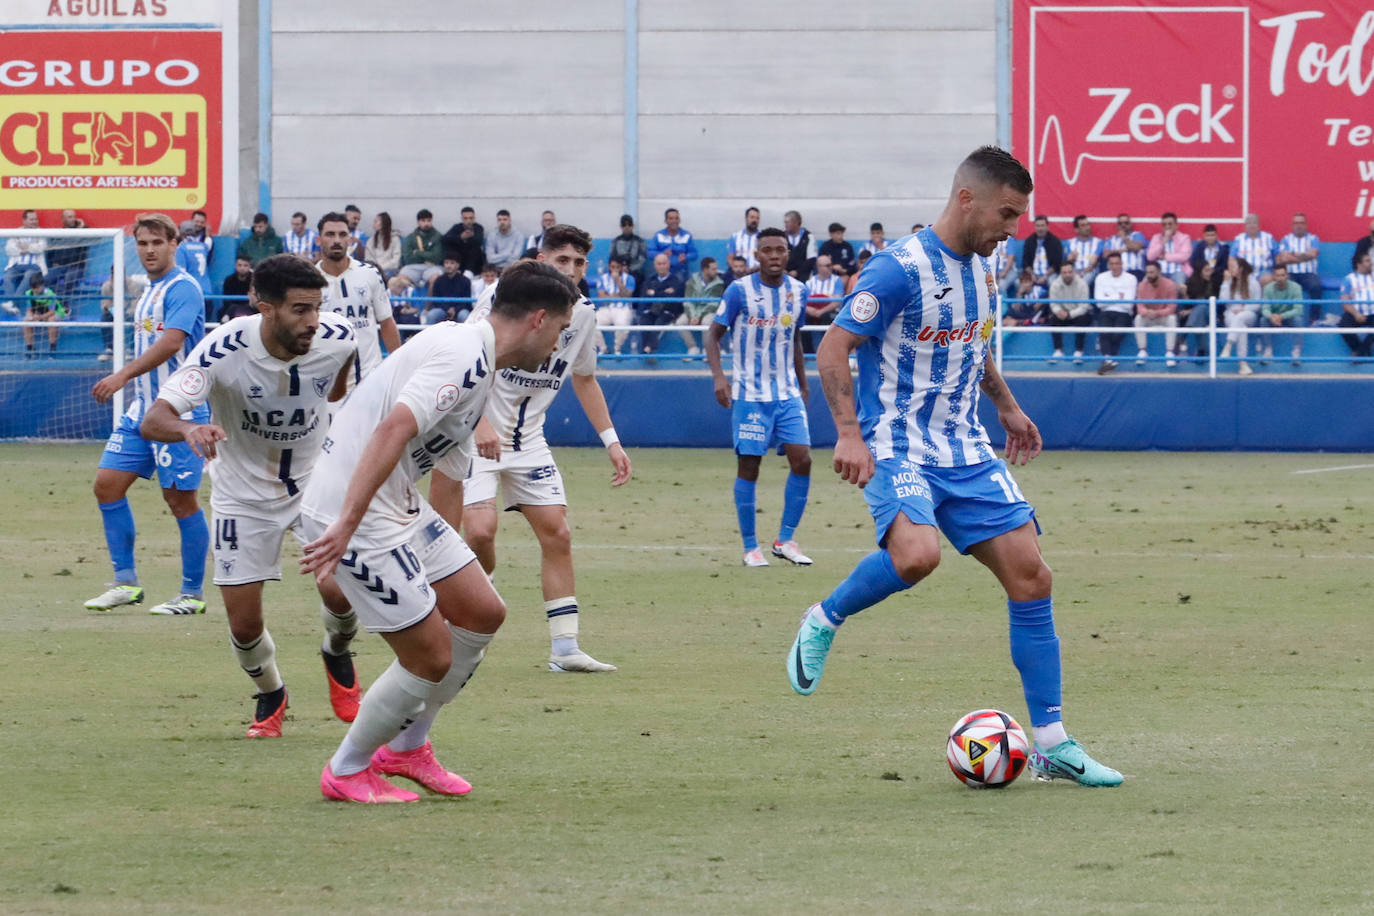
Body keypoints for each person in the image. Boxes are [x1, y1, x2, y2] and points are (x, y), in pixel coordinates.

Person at [785, 145, 1122, 787]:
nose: (1013, 228)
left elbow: (974, 347)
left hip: (966, 446)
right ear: (967, 199)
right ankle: (824, 617)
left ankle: (1051, 744)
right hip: (897, 443)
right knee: (917, 556)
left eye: (1020, 216)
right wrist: (849, 436)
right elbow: (832, 349)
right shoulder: (897, 271)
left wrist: (1010, 409)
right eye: (1007, 213)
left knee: (1032, 577)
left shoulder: (986, 269)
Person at [298, 260, 579, 804]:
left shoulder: (481, 366)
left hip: (397, 504)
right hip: (352, 511)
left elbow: (447, 467)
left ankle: (408, 749)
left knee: (481, 611)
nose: (559, 346)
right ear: (539, 320)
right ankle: (347, 769)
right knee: (430, 655)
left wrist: (443, 565)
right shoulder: (462, 354)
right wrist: (346, 527)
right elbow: (393, 428)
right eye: (562, 331)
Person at [140, 254, 362, 738]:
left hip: (316, 481)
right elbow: (153, 419)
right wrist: (188, 428)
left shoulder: (339, 335)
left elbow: (340, 382)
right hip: (242, 495)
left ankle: (337, 650)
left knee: (343, 590)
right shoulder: (222, 350)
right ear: (264, 307)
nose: (313, 321)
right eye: (300, 309)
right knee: (243, 625)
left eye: (317, 308)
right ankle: (272, 692)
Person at [461, 225, 632, 672]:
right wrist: (477, 421)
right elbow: (464, 358)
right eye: (563, 261)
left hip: (528, 440)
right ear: (542, 259)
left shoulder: (585, 314)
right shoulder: (504, 297)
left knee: (557, 533)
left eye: (579, 263)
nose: (572, 270)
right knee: (479, 531)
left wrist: (611, 442)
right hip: (474, 434)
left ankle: (565, 649)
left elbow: (585, 377)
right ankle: (475, 613)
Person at [86, 213, 211, 616]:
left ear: (174, 245)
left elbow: (172, 343)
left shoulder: (183, 288)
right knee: (107, 485)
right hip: (142, 410)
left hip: (178, 411)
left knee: (180, 501)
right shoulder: (147, 292)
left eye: (158, 242)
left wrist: (121, 374)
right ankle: (126, 583)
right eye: (142, 243)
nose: (150, 250)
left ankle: (191, 594)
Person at [705, 227, 813, 568]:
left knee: (803, 460)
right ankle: (751, 547)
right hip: (750, 394)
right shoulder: (739, 291)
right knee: (750, 466)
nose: (774, 256)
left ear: (788, 253)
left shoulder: (799, 291)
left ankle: (785, 539)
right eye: (767, 250)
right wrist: (719, 376)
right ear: (756, 255)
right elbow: (713, 336)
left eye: (780, 249)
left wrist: (803, 382)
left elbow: (794, 338)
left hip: (787, 392)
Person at [316, 212, 401, 388]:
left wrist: (398, 367)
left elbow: (386, 322)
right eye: (330, 234)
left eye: (343, 234)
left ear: (350, 240)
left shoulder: (369, 273)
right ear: (319, 240)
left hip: (369, 379)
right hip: (325, 383)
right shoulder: (309, 280)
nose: (337, 240)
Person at [1093, 251, 1137, 374]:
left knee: (1117, 332)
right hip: (1106, 312)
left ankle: (1108, 360)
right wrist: (1119, 296)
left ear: (1121, 264)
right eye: (1111, 264)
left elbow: (1129, 305)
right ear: (1108, 265)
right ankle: (1109, 360)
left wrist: (1108, 297)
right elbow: (1099, 303)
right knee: (1104, 331)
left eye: (1117, 263)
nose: (1114, 266)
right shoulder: (1101, 277)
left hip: (1124, 313)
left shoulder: (1131, 278)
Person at [1276, 212, 1323, 323]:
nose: (1299, 225)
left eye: (1301, 222)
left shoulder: (1313, 238)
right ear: (1292, 225)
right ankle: (1286, 318)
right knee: (1282, 284)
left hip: (1309, 274)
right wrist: (1304, 256)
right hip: (1290, 274)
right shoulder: (1286, 239)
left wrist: (1292, 254)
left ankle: (1314, 319)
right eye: (1296, 223)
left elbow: (1313, 254)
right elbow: (1283, 259)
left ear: (1306, 225)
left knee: (1316, 286)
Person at [1218, 257, 1261, 374]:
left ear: (1241, 269)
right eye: (1230, 267)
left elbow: (1257, 304)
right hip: (1231, 314)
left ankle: (1228, 345)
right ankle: (1243, 364)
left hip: (1248, 314)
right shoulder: (1229, 282)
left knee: (1240, 318)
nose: (1230, 269)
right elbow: (1223, 301)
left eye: (1233, 267)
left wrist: (1244, 308)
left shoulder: (1253, 282)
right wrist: (1226, 282)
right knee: (1241, 328)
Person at [1133, 261, 1179, 367]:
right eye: (1147, 272)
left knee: (1172, 319)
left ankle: (1170, 353)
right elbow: (1139, 306)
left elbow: (1172, 307)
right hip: (1148, 316)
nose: (1149, 275)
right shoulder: (1141, 285)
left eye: (1152, 272)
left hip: (1163, 316)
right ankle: (1142, 351)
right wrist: (1147, 312)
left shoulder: (1170, 285)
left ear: (1159, 272)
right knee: (1138, 319)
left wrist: (1157, 313)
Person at [1046, 260, 1092, 363]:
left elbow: (1084, 306)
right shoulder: (1055, 284)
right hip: (1063, 314)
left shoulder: (1082, 284)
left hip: (1077, 313)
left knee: (1084, 318)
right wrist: (1059, 312)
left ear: (1074, 272)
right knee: (1053, 318)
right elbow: (1053, 304)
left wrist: (1070, 314)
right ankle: (1058, 351)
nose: (1067, 275)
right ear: (1061, 273)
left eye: (1070, 272)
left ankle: (1078, 352)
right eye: (1064, 272)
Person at [638, 252, 683, 354]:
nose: (662, 266)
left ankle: (649, 348)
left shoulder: (676, 281)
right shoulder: (649, 280)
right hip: (651, 310)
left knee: (660, 322)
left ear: (669, 264)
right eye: (659, 264)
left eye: (664, 263)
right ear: (655, 266)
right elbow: (645, 295)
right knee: (644, 321)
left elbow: (674, 297)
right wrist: (664, 292)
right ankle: (646, 352)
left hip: (668, 311)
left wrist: (654, 292)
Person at [1261, 264, 1305, 364]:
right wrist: (1271, 316)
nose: (1280, 278)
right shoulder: (1268, 288)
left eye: (1283, 275)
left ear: (1287, 276)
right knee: (1263, 320)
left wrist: (1281, 316)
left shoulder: (1296, 287)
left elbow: (1298, 309)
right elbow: (1265, 308)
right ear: (1274, 277)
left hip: (1289, 317)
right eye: (1278, 275)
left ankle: (1296, 353)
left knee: (1298, 319)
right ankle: (1268, 351)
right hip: (1274, 318)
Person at [679, 256, 723, 355]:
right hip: (693, 311)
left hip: (709, 312)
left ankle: (707, 349)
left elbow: (713, 304)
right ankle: (693, 348)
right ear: (705, 269)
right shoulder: (692, 282)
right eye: (713, 269)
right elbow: (688, 301)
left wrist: (699, 316)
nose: (716, 271)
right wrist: (692, 316)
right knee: (680, 322)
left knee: (707, 321)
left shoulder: (719, 283)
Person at [4, 209, 47, 310]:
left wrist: (26, 247)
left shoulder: (41, 232)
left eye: (36, 219)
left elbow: (41, 247)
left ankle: (13, 304)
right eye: (31, 219)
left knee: (29, 276)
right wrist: (22, 250)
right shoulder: (17, 232)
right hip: (17, 265)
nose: (34, 221)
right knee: (7, 277)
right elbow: (9, 249)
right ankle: (13, 305)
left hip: (34, 266)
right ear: (24, 220)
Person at [593, 255, 636, 354]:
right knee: (591, 323)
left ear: (622, 267)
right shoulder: (602, 278)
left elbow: (627, 296)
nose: (615, 270)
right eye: (613, 267)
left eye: (617, 267)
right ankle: (603, 349)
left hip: (623, 308)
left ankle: (617, 349)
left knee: (622, 325)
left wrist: (618, 281)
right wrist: (616, 296)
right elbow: (602, 297)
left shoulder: (629, 278)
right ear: (609, 266)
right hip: (606, 308)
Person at [99, 268, 145, 361]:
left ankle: (131, 349)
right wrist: (110, 309)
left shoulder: (133, 285)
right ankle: (110, 349)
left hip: (129, 312)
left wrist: (126, 312)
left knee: (133, 318)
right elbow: (104, 304)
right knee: (105, 318)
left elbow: (136, 305)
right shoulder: (106, 286)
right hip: (114, 312)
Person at [1338, 251, 1374, 358]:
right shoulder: (1349, 279)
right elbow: (1345, 301)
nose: (1371, 263)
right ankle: (1359, 350)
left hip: (1373, 313)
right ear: (1359, 264)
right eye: (1367, 261)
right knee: (1343, 326)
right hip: (1356, 313)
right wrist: (1356, 314)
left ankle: (1360, 351)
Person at [22, 271, 66, 358]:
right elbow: (29, 310)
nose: (36, 291)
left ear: (42, 285)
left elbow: (52, 311)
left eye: (38, 288)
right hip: (40, 314)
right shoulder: (29, 293)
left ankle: (52, 348)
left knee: (51, 320)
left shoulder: (50, 294)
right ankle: (30, 348)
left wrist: (40, 317)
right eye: (34, 288)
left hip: (56, 313)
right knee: (26, 321)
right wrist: (31, 316)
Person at [647, 208, 697, 281]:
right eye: (671, 218)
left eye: (676, 218)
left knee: (680, 285)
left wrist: (686, 257)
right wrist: (663, 254)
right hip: (662, 271)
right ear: (666, 221)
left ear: (679, 220)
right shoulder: (659, 235)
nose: (674, 221)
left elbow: (694, 254)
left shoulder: (686, 235)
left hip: (681, 271)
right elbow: (649, 253)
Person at [401, 209, 445, 287]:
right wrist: (428, 255)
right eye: (423, 221)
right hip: (413, 267)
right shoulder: (411, 237)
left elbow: (437, 257)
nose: (426, 223)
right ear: (418, 222)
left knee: (435, 279)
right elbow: (408, 259)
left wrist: (418, 253)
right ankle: (404, 299)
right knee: (400, 280)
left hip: (433, 267)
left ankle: (430, 300)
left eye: (429, 221)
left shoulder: (438, 236)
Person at [1019, 215, 1062, 292]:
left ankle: (1052, 304)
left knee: (1052, 282)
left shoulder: (1055, 241)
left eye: (1042, 226)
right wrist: (1032, 275)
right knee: (1018, 283)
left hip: (1049, 275)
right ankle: (1023, 304)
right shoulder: (1029, 241)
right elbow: (1025, 263)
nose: (1040, 228)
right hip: (1032, 274)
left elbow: (1057, 264)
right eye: (1038, 226)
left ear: (1047, 227)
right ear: (1034, 227)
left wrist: (1045, 276)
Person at [1146, 212, 1191, 286]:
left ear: (1176, 225)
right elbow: (1150, 257)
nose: (1167, 227)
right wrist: (1163, 243)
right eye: (1164, 224)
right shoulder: (1156, 238)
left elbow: (1184, 256)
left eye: (1170, 224)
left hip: (1177, 271)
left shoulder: (1184, 238)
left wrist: (1165, 256)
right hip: (1159, 272)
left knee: (1179, 288)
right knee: (1146, 285)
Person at [1231, 214, 1276, 285]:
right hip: (1244, 273)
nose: (1252, 225)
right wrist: (1234, 270)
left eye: (1254, 223)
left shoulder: (1268, 238)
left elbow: (1277, 256)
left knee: (1268, 279)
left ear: (1259, 225)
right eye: (1249, 223)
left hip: (1264, 272)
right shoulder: (1239, 239)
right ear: (1245, 226)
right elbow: (1231, 258)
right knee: (1229, 276)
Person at [426, 256, 473, 323]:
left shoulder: (465, 281)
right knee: (431, 315)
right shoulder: (438, 280)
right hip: (442, 309)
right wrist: (447, 309)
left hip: (460, 310)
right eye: (446, 263)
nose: (448, 266)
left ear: (458, 265)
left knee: (465, 316)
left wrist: (455, 309)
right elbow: (436, 301)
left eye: (452, 263)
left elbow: (467, 302)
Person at [442, 206, 486, 276]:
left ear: (474, 218)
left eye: (471, 218)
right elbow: (445, 239)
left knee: (475, 250)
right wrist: (460, 237)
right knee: (451, 249)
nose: (468, 221)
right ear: (462, 219)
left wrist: (471, 237)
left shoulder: (478, 227)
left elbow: (479, 240)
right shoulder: (457, 227)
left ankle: (468, 274)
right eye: (465, 218)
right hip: (459, 258)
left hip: (473, 262)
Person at [609, 214, 648, 289]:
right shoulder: (615, 242)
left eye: (629, 224)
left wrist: (629, 269)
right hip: (618, 272)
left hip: (636, 273)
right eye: (624, 225)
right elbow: (612, 259)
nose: (627, 227)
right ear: (621, 226)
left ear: (633, 226)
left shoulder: (640, 242)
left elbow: (642, 259)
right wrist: (620, 268)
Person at [1065, 215, 1104, 286]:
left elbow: (1092, 264)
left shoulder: (1098, 242)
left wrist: (1081, 273)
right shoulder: (1069, 243)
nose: (1087, 228)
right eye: (1083, 225)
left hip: (1090, 271)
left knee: (1084, 280)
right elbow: (1068, 262)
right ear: (1076, 230)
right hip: (1073, 272)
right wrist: (1071, 260)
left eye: (1087, 224)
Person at [1107, 213, 1147, 279]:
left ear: (1130, 224)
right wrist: (1123, 250)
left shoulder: (1137, 235)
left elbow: (1136, 247)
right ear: (1117, 225)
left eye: (1126, 223)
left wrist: (1124, 238)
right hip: (1116, 272)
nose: (1123, 225)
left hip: (1135, 271)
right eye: (1120, 223)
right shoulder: (1112, 239)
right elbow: (1105, 254)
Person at [365, 212, 402, 278]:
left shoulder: (395, 239)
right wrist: (376, 268)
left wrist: (381, 267)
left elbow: (396, 261)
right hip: (374, 271)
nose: (374, 223)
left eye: (376, 221)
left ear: (384, 223)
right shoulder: (371, 240)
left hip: (391, 271)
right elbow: (368, 258)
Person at [783, 210, 817, 282]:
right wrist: (782, 270)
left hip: (803, 277)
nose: (785, 225)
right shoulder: (782, 236)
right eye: (785, 222)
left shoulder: (808, 237)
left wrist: (797, 272)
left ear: (796, 222)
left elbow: (812, 259)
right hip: (784, 276)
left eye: (787, 222)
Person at [219, 254, 254, 320]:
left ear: (249, 267)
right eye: (239, 265)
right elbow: (226, 299)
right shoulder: (229, 280)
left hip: (250, 308)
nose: (242, 268)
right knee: (221, 312)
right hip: (232, 308)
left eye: (245, 265)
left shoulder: (254, 279)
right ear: (235, 266)